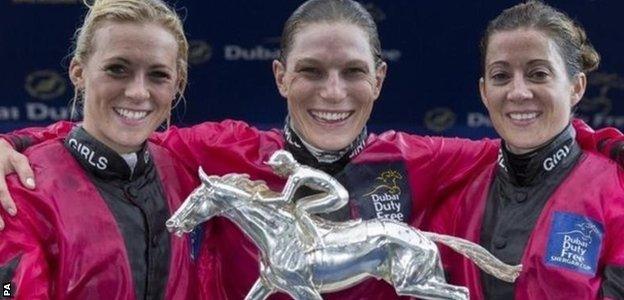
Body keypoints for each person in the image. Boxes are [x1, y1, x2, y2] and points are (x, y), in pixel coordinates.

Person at [0, 0, 623, 298]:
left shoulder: (422, 158)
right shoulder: (224, 152)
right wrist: (13, 142)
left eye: (353, 71)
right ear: (279, 77)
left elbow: (534, 142)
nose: (333, 92)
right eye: (311, 71)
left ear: (379, 79)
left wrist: (614, 150)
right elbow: (119, 133)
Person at [0, 0, 199, 298]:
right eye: (117, 69)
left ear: (177, 84)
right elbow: (6, 290)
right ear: (79, 73)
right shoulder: (23, 188)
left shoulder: (184, 165)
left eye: (158, 75)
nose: (137, 92)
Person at [428, 2, 624, 299]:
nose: (518, 92)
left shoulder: (616, 190)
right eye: (501, 76)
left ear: (576, 87)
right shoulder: (455, 191)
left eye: (538, 74)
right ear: (483, 91)